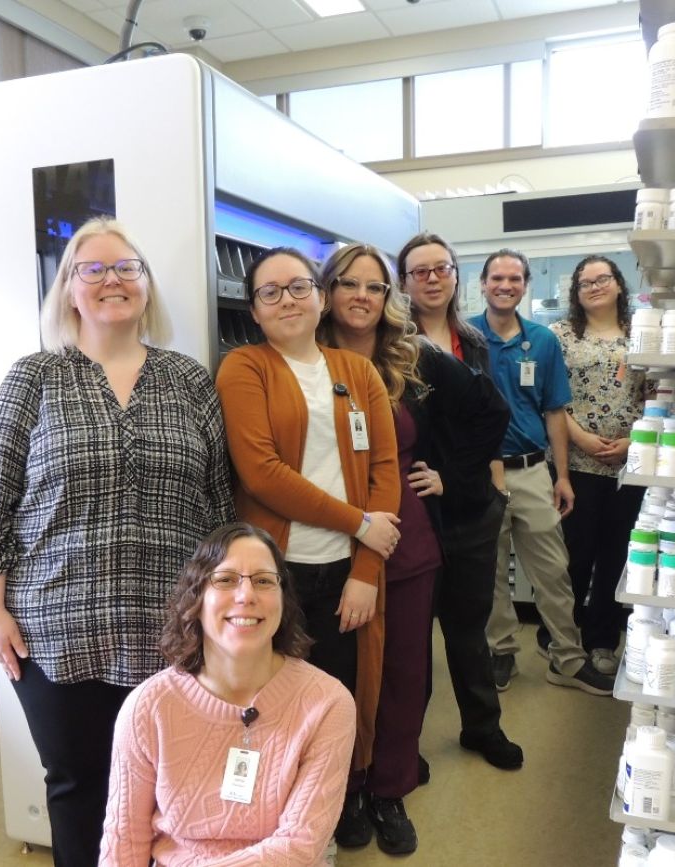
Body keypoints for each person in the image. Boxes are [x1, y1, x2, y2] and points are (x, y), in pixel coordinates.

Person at [0, 218, 234, 866]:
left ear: (146, 285)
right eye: (94, 268)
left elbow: (219, 504)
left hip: (171, 631)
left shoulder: (190, 381)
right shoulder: (34, 379)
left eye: (127, 267)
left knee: (169, 789)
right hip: (56, 631)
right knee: (80, 786)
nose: (113, 279)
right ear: (69, 290)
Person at [320, 243, 517, 855]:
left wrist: (452, 475)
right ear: (327, 291)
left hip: (406, 535)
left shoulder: (413, 355)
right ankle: (344, 787)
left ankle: (389, 787)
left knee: (406, 672)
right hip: (328, 539)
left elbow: (492, 412)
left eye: (374, 287)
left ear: (388, 298)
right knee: (340, 676)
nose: (361, 296)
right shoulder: (306, 356)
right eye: (348, 284)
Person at [214, 247, 401, 846]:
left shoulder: (358, 371)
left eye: (298, 286)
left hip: (346, 571)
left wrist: (367, 568)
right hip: (275, 573)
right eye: (271, 292)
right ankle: (274, 813)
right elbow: (261, 472)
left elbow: (386, 473)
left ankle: (341, 798)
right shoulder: (243, 368)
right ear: (255, 310)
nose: (287, 299)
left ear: (320, 298)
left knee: (339, 696)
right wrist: (359, 522)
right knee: (270, 696)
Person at [100, 523, 357, 866]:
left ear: (283, 602)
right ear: (197, 598)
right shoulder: (148, 707)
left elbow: (300, 847)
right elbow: (124, 842)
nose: (246, 595)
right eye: (226, 579)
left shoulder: (328, 704)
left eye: (264, 581)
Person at [396, 233, 525, 770]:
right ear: (403, 283)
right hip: (414, 509)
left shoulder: (471, 340)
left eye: (440, 268)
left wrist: (484, 486)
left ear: (455, 275)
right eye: (418, 271)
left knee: (469, 629)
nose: (431, 278)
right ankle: (406, 744)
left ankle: (482, 727)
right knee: (412, 639)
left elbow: (487, 417)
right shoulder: (391, 340)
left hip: (469, 503)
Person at [467, 248, 614, 696]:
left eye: (514, 278)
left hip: (532, 470)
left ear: (525, 284)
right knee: (490, 571)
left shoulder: (542, 342)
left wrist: (563, 476)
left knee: (553, 569)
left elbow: (554, 411)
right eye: (497, 278)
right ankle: (502, 651)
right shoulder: (465, 337)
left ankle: (567, 657)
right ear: (483, 284)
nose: (505, 285)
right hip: (478, 474)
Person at [550, 256, 649, 674]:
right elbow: (551, 398)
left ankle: (603, 640)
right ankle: (564, 641)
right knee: (574, 556)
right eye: (584, 282)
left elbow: (660, 393)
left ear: (619, 285)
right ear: (575, 292)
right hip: (576, 464)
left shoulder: (643, 334)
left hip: (631, 464)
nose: (594, 286)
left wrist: (634, 440)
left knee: (616, 556)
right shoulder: (560, 336)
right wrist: (580, 437)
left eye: (602, 278)